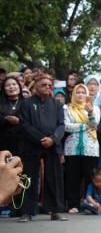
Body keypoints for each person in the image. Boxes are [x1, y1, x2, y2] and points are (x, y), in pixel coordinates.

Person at [17, 73, 67, 222]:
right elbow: (24, 124)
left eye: (49, 85)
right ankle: (27, 212)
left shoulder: (56, 104)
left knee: (54, 178)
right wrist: (40, 139)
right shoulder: (26, 103)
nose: (47, 87)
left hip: (52, 145)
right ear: (36, 86)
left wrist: (53, 139)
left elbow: (61, 125)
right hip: (32, 145)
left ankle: (55, 211)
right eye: (43, 85)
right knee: (29, 177)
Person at [63, 83, 100, 213]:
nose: (80, 95)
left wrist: (89, 114)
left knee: (90, 177)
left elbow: (95, 124)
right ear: (73, 94)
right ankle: (73, 204)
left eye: (83, 92)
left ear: (87, 95)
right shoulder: (67, 108)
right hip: (72, 147)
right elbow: (66, 126)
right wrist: (85, 126)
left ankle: (89, 204)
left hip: (90, 148)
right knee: (72, 177)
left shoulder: (94, 108)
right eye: (78, 92)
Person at [0, 76, 24, 154]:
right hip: (3, 144)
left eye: (14, 84)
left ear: (19, 86)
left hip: (23, 144)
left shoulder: (27, 103)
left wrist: (19, 122)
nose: (11, 87)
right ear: (4, 89)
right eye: (8, 85)